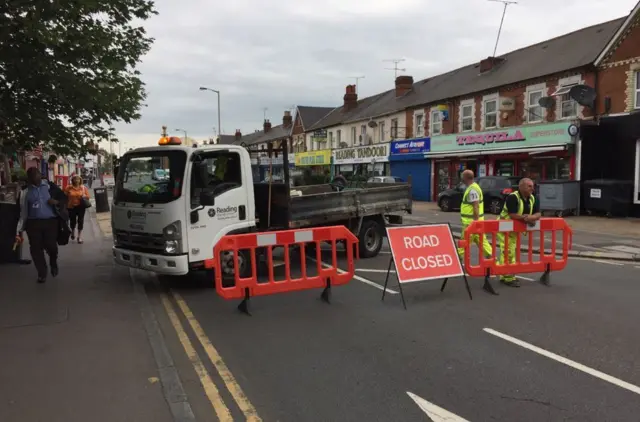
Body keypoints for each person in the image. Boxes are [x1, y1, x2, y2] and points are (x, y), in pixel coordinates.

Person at [16, 168, 68, 283]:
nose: (36, 181)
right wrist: (19, 229)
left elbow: (63, 197)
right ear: (29, 179)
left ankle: (53, 262)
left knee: (51, 246)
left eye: (37, 177)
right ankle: (42, 273)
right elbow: (21, 211)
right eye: (33, 179)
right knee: (35, 249)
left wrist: (57, 202)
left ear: (40, 175)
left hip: (50, 222)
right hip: (33, 224)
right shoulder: (25, 192)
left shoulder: (50, 186)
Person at [496, 177, 541, 287]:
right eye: (529, 186)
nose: (532, 188)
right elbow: (512, 214)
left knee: (508, 251)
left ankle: (502, 271)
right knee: (509, 251)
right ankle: (508, 277)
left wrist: (532, 217)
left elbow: (538, 213)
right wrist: (526, 218)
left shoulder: (532, 198)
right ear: (521, 187)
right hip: (504, 228)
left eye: (532, 186)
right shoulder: (513, 197)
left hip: (514, 230)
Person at [457, 169, 492, 260]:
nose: (461, 178)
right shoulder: (473, 187)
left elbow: (475, 206)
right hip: (476, 221)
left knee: (464, 241)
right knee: (481, 241)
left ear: (465, 178)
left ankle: (458, 260)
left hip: (471, 222)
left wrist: (475, 223)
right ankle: (491, 257)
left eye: (462, 176)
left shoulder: (472, 190)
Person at [65, 175, 90, 243]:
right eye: (75, 179)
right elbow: (64, 196)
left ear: (80, 180)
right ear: (72, 180)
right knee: (72, 221)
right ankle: (73, 231)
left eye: (78, 179)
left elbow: (88, 196)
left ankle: (79, 237)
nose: (76, 181)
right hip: (71, 207)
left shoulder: (83, 188)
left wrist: (84, 196)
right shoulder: (68, 187)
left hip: (81, 207)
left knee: (80, 221)